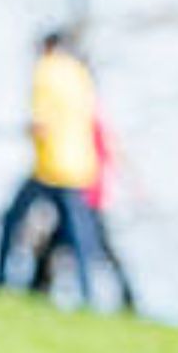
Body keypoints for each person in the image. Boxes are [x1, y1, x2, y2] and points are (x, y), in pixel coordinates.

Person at [0, 31, 100, 305]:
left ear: (47, 47)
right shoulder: (79, 74)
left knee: (11, 221)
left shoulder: (46, 71)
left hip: (50, 166)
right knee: (78, 237)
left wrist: (30, 130)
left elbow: (41, 123)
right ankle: (88, 294)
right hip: (80, 167)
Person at [30, 107, 137, 311]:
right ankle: (37, 291)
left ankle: (118, 298)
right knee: (60, 245)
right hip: (81, 195)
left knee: (89, 248)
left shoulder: (88, 121)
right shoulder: (80, 123)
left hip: (87, 198)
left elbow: (108, 153)